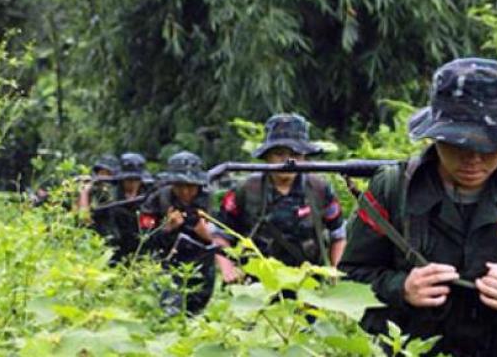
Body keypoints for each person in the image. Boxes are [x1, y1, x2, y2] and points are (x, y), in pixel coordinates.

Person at [339, 58, 497, 356]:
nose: (473, 158)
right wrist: (401, 288)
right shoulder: (394, 190)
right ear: (435, 136)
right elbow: (349, 277)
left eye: (489, 145)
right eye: (458, 144)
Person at [213, 114, 346, 284]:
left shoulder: (319, 189)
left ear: (304, 157)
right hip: (257, 287)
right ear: (267, 156)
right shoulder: (246, 190)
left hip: (309, 286)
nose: (287, 161)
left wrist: (335, 271)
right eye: (279, 154)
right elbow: (219, 234)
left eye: (295, 154)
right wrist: (228, 269)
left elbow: (339, 234)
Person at [138, 151, 216, 316]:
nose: (185, 192)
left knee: (198, 314)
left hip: (201, 268)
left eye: (190, 186)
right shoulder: (158, 199)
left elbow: (227, 238)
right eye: (180, 186)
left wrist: (206, 234)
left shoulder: (208, 200)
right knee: (169, 314)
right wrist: (166, 228)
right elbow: (143, 240)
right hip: (167, 266)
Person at [91, 153, 150, 261]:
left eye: (135, 180)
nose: (131, 184)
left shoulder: (148, 195)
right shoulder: (110, 195)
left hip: (140, 251)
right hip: (114, 250)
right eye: (128, 180)